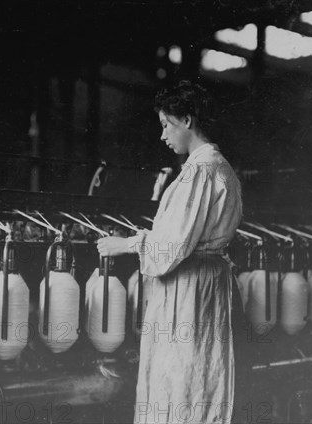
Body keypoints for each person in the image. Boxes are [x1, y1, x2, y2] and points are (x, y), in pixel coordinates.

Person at [97, 81, 244, 424]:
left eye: (167, 125)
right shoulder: (220, 168)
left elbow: (171, 249)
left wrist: (126, 244)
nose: (163, 136)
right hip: (204, 284)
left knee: (180, 383)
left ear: (188, 121)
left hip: (188, 288)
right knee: (199, 380)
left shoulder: (199, 171)